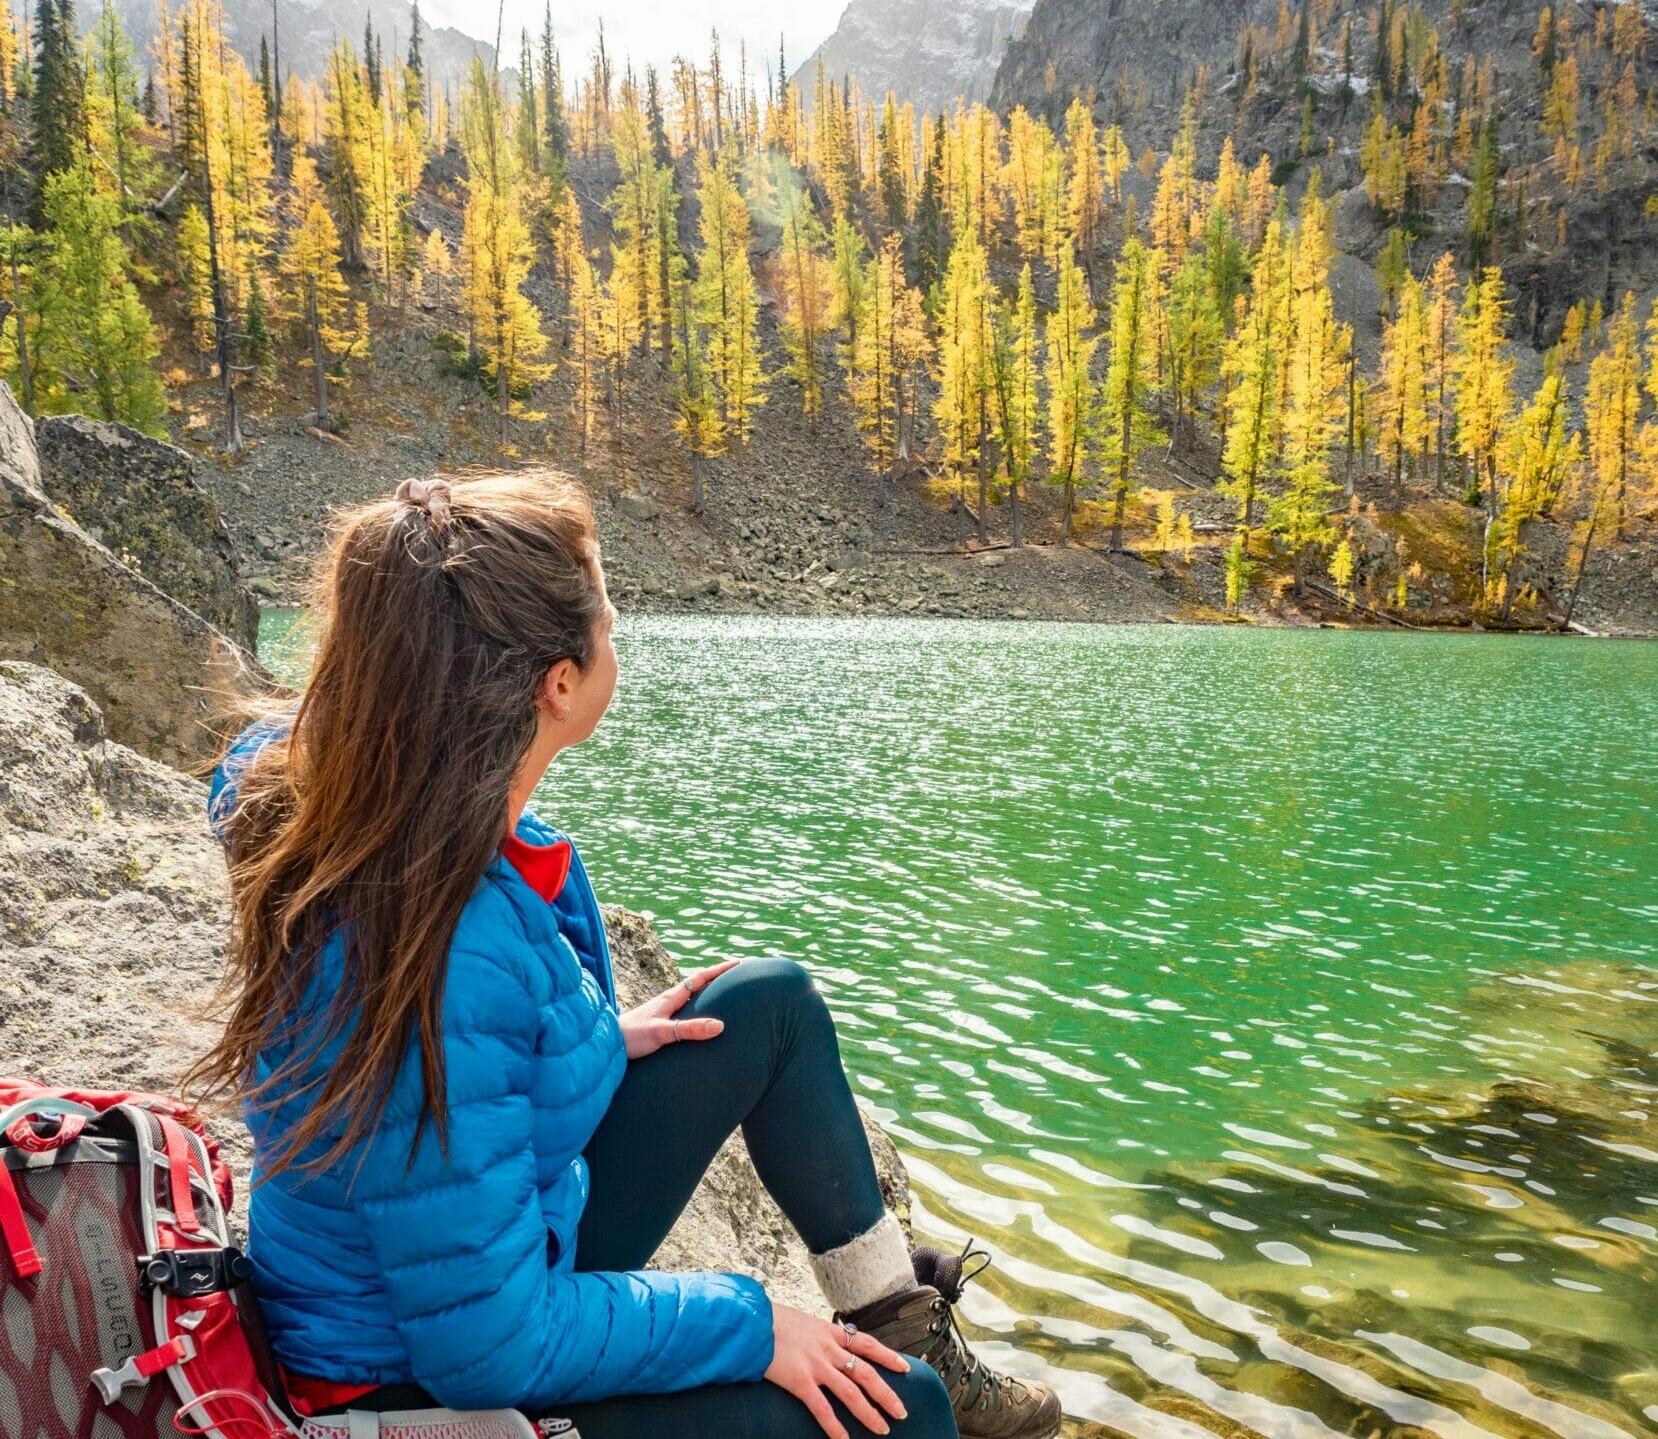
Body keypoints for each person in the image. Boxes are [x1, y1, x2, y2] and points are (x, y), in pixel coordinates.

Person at [186, 471, 1061, 1439]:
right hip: (410, 1391)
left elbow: (469, 1088)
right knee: (902, 1417)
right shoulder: (435, 941)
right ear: (557, 685)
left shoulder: (395, 803)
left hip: (491, 1251)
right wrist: (756, 1323)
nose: (615, 626)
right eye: (606, 610)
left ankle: (902, 1323)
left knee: (768, 1008)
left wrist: (599, 1041)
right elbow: (490, 1349)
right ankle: (915, 1382)